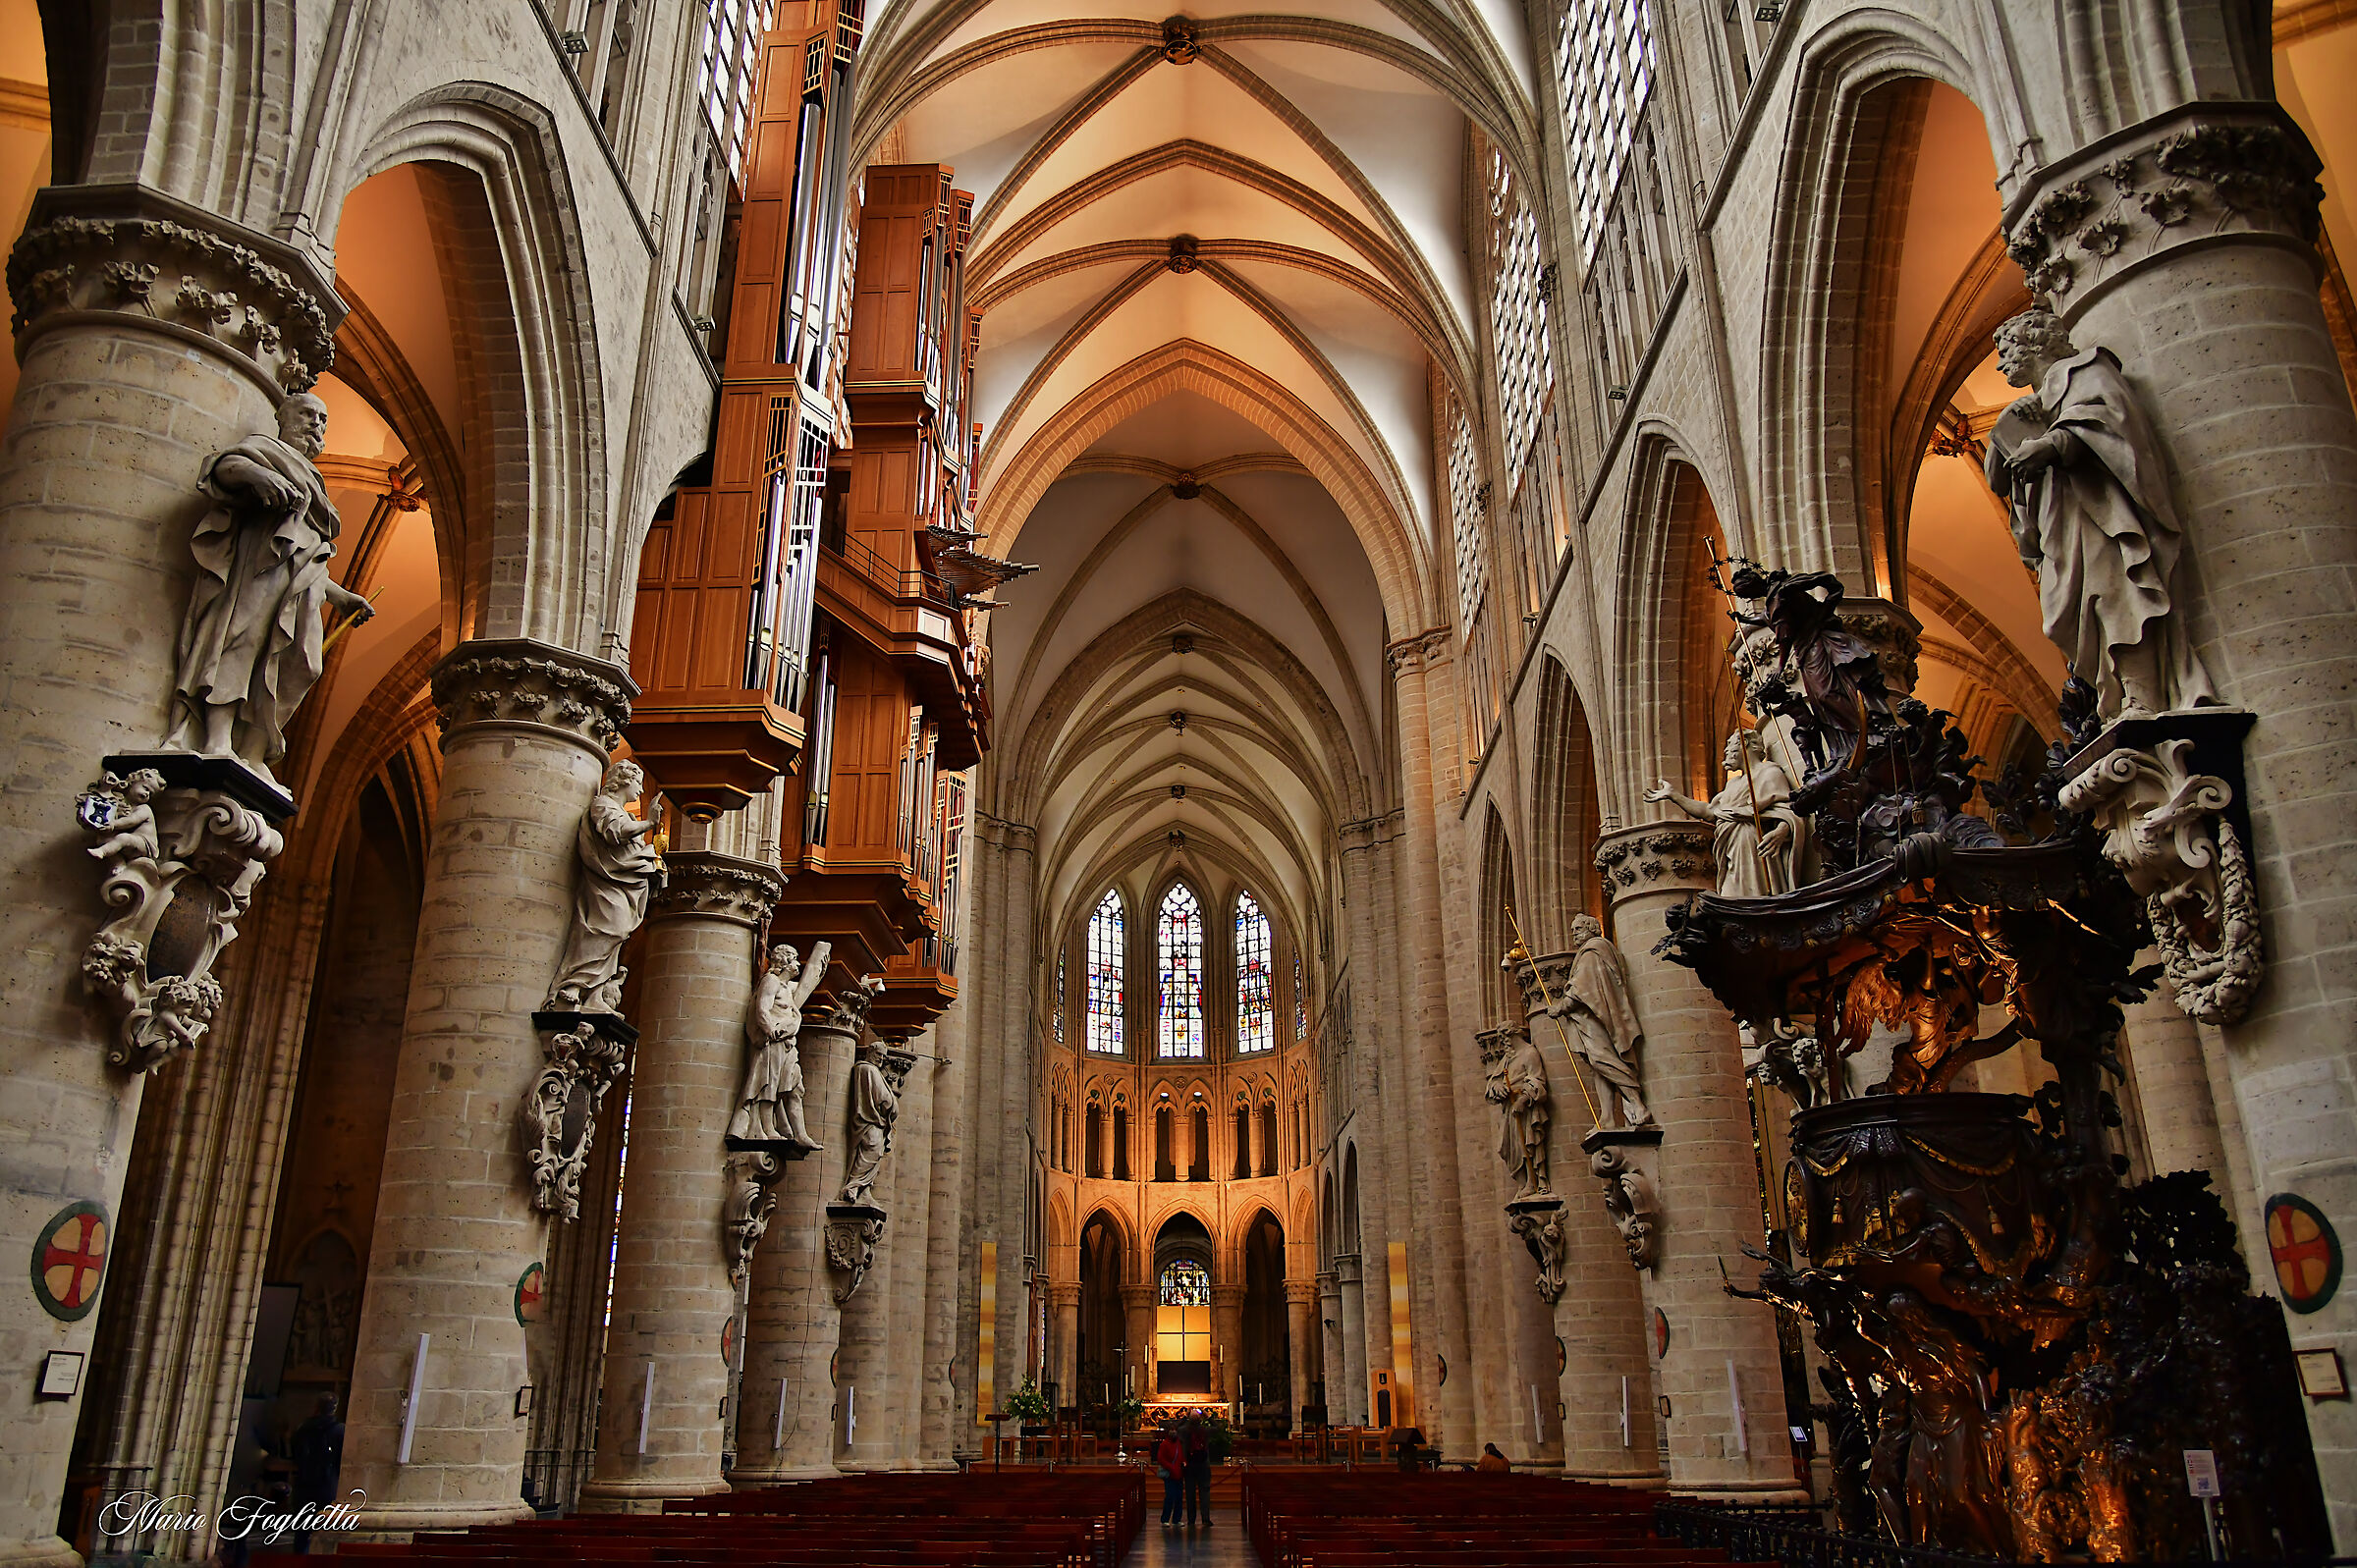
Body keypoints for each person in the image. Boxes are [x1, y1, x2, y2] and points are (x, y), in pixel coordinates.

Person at [170, 392, 374, 772]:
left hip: (301, 584)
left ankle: (253, 747)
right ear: (283, 417)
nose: (316, 423)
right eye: (308, 414)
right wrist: (258, 475)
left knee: (301, 664)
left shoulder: (313, 481)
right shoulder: (265, 450)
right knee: (240, 645)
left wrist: (342, 597)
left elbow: (309, 556)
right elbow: (224, 468)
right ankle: (217, 738)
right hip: (260, 567)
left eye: (323, 419)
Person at [288, 1391, 344, 1551]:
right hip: (328, 1485)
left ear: (317, 1407)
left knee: (302, 1532)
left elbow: (296, 1453)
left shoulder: (303, 1428)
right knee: (326, 1531)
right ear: (334, 1409)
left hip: (305, 1484)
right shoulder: (340, 1431)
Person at [1181, 1419, 1213, 1527]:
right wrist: (1208, 1417)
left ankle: (1191, 1519)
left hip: (1190, 1466)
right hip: (1203, 1465)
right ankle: (1205, 1518)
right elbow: (1218, 1427)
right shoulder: (1206, 1430)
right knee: (1204, 1493)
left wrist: (1185, 1418)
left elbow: (1176, 1427)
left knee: (1190, 1494)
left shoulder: (1185, 1430)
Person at [1154, 1425, 1183, 1527]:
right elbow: (1160, 1459)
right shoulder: (1164, 1444)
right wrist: (1171, 1467)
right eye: (1172, 1430)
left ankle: (1177, 1519)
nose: (1174, 1432)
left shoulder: (1179, 1443)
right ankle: (1165, 1519)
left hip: (1179, 1474)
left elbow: (1181, 1455)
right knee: (1170, 1497)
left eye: (1175, 1430)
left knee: (1179, 1498)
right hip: (1170, 1474)